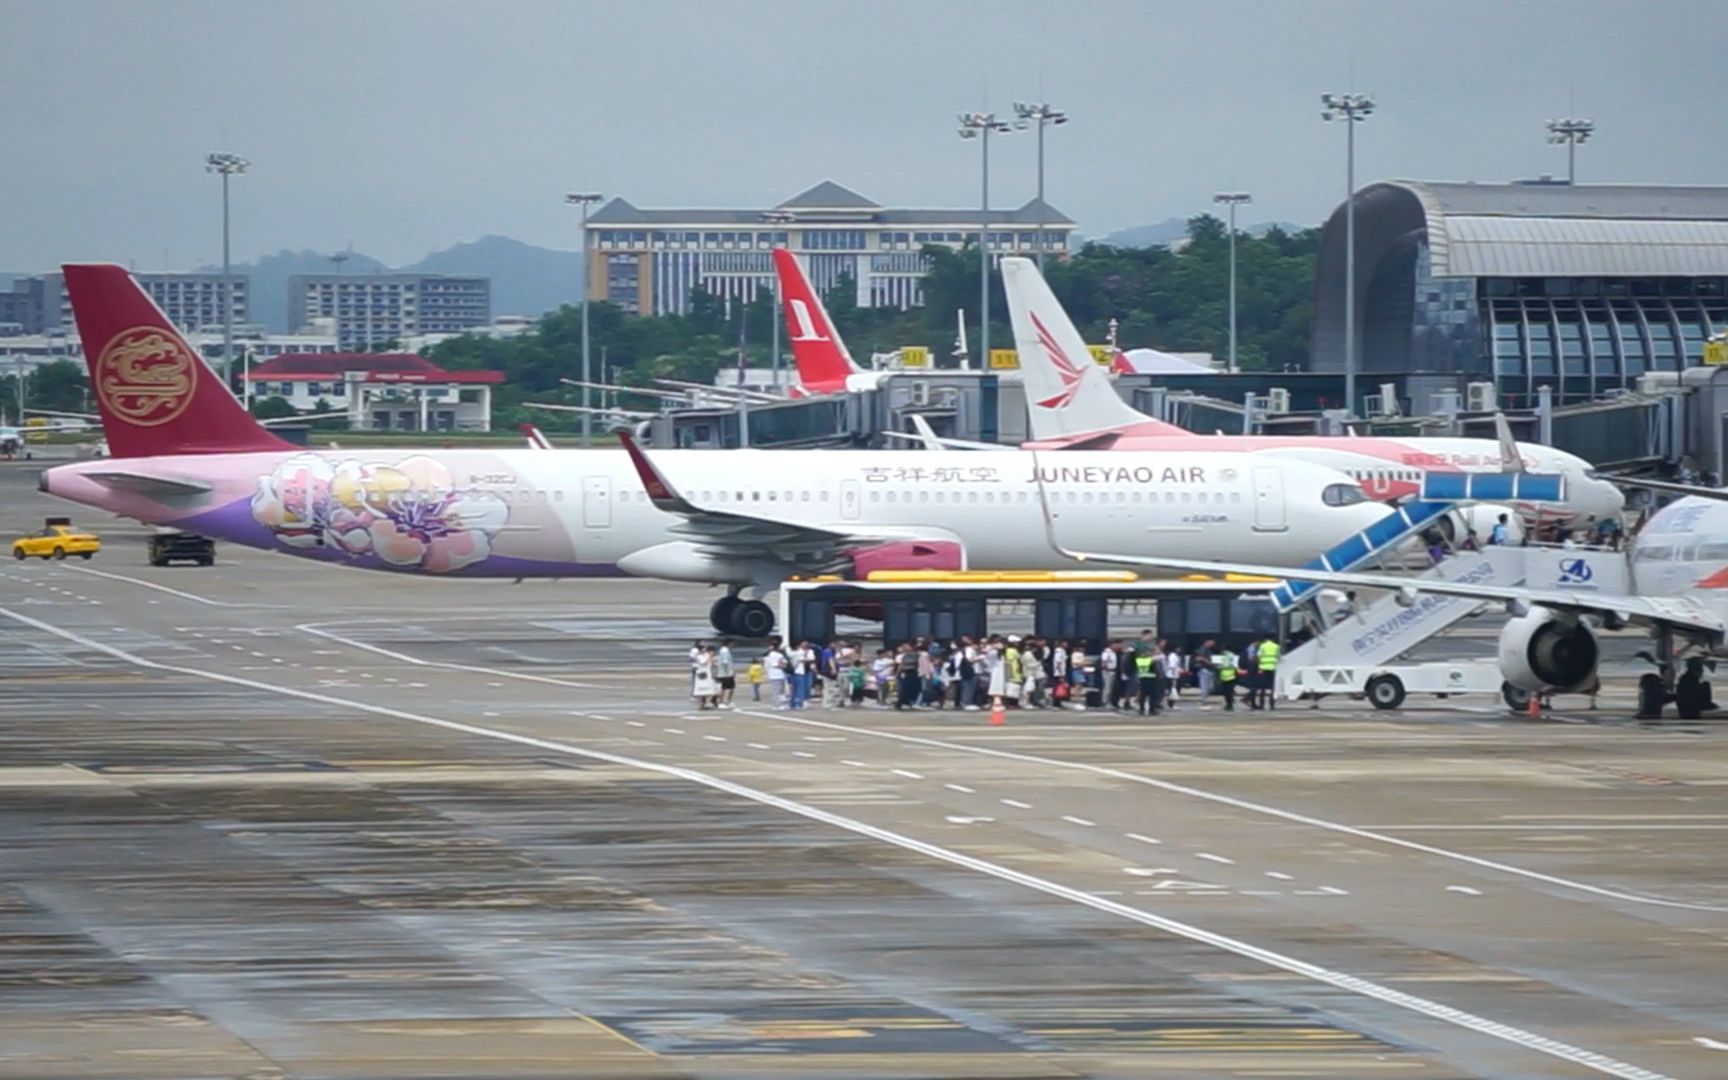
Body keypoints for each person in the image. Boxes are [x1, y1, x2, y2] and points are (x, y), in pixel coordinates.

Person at [1256, 634, 1281, 711]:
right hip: (1273, 668)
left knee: (1262, 687)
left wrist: (1259, 667)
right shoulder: (1276, 646)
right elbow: (1278, 657)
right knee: (1272, 688)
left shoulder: (1262, 646)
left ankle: (1261, 704)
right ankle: (1272, 704)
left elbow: (1258, 656)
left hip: (1263, 668)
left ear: (1265, 639)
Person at [895, 642, 922, 710]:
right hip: (906, 673)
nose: (905, 648)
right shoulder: (904, 656)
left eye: (906, 646)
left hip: (915, 673)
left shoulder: (917, 654)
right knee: (904, 689)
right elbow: (901, 665)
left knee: (913, 689)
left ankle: (909, 702)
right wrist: (898, 673)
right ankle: (901, 702)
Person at [763, 638, 789, 709]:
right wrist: (781, 664)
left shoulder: (779, 654)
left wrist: (782, 664)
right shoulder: (771, 655)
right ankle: (777, 705)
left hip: (780, 674)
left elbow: (785, 662)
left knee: (781, 690)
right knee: (776, 691)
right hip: (774, 674)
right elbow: (774, 664)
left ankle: (780, 704)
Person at [691, 644, 719, 709]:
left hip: (708, 673)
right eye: (703, 649)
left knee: (709, 689)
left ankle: (706, 703)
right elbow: (703, 662)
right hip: (702, 673)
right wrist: (709, 656)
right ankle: (701, 704)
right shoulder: (699, 656)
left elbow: (712, 663)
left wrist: (711, 658)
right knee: (701, 690)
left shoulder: (706, 655)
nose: (705, 650)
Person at [1135, 646, 1159, 716]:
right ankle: (1151, 709)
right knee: (1151, 695)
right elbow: (1157, 659)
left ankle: (1142, 709)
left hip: (1143, 678)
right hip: (1150, 678)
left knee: (1143, 695)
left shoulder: (1141, 659)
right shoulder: (1149, 659)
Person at [714, 638, 736, 709]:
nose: (733, 645)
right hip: (725, 673)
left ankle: (727, 701)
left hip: (726, 672)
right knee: (724, 688)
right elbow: (725, 662)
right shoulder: (724, 651)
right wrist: (730, 672)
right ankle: (721, 702)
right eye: (732, 643)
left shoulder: (725, 651)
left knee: (730, 687)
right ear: (729, 643)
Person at [1215, 646, 1238, 711]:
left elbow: (1227, 665)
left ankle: (1230, 705)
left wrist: (1219, 666)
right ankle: (1229, 705)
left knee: (1228, 692)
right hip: (1226, 677)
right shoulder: (1226, 656)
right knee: (1227, 692)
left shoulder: (1229, 655)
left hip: (1230, 677)